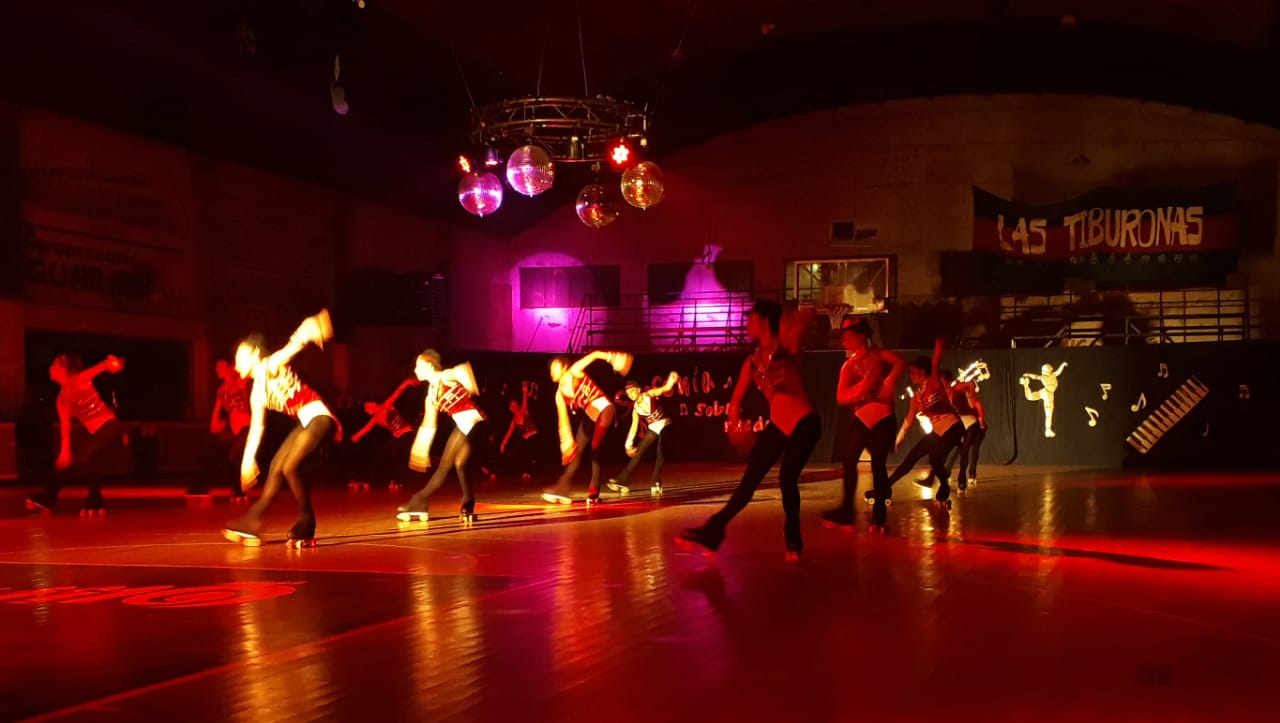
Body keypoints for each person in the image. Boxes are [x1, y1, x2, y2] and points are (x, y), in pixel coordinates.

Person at [678, 301, 822, 559]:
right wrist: (734, 424)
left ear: (764, 320)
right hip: (778, 424)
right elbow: (735, 400)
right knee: (748, 483)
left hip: (805, 422)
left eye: (751, 318)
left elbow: (801, 320)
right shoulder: (752, 362)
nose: (746, 324)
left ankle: (793, 541)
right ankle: (713, 533)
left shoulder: (786, 344)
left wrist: (806, 314)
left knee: (787, 479)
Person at [223, 310, 337, 547]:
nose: (237, 363)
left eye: (241, 356)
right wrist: (247, 462)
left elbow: (292, 348)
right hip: (305, 422)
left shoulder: (269, 365)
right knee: (277, 466)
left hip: (319, 417)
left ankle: (306, 520)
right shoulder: (256, 393)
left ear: (255, 354)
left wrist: (310, 328)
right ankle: (253, 521)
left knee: (290, 466)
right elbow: (257, 428)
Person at [821, 317, 906, 531]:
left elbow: (900, 363)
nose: (844, 341)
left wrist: (889, 380)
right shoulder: (848, 366)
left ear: (860, 336)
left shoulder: (878, 354)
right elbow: (841, 397)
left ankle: (879, 515)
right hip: (861, 417)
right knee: (849, 460)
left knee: (878, 464)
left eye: (848, 336)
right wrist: (861, 389)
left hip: (883, 416)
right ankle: (847, 510)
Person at [26, 354, 127, 516]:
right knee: (79, 461)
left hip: (109, 425)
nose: (50, 368)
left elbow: (97, 369)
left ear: (64, 366)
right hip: (94, 431)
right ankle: (52, 497)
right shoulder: (61, 400)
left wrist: (108, 364)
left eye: (54, 364)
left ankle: (81, 497)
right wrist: (64, 452)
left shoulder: (80, 380)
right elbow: (65, 428)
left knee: (85, 457)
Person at [396, 351, 487, 523]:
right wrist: (420, 451)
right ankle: (468, 501)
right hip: (464, 425)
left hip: (475, 420)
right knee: (460, 464)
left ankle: (419, 500)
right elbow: (428, 424)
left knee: (445, 465)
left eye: (419, 365)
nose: (415, 370)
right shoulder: (430, 396)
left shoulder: (444, 376)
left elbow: (463, 369)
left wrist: (471, 387)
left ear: (429, 364)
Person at [541, 350, 633, 505]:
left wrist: (615, 359)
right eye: (551, 370)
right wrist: (567, 443)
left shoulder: (574, 371)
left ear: (564, 367)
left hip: (605, 409)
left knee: (595, 446)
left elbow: (595, 355)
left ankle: (594, 489)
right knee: (576, 450)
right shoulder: (559, 394)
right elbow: (563, 421)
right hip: (590, 415)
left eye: (555, 368)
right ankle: (562, 487)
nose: (552, 372)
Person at [885, 338, 964, 509]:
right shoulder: (916, 397)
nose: (911, 375)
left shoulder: (934, 382)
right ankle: (884, 488)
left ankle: (944, 486)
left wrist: (939, 344)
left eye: (913, 372)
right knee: (912, 456)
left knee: (935, 457)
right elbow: (908, 421)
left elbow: (936, 360)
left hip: (953, 427)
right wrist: (897, 440)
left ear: (922, 371)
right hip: (938, 431)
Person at [609, 371, 680, 497]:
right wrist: (628, 445)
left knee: (660, 451)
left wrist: (671, 380)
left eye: (632, 391)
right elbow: (633, 427)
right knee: (638, 452)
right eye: (628, 393)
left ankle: (656, 481)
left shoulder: (649, 394)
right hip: (653, 428)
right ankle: (623, 480)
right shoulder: (635, 409)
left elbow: (665, 388)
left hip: (665, 424)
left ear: (638, 389)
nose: (630, 395)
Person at [190, 360, 252, 500]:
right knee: (214, 451)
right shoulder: (221, 390)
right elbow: (216, 410)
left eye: (221, 366)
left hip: (247, 427)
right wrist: (215, 424)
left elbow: (247, 375)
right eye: (216, 367)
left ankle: (240, 487)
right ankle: (202, 485)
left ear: (229, 367)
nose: (217, 369)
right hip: (234, 430)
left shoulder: (239, 382)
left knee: (234, 455)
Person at [350, 378, 418, 491]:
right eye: (365, 408)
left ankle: (396, 480)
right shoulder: (376, 418)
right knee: (385, 455)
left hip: (407, 433)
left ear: (374, 403)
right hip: (398, 436)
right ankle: (391, 480)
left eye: (367, 406)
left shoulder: (386, 406)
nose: (366, 410)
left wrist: (407, 382)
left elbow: (398, 392)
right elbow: (367, 428)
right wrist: (356, 436)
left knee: (390, 453)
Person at [943, 369, 986, 489]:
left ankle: (970, 474)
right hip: (964, 425)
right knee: (960, 449)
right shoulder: (952, 394)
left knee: (972, 449)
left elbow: (980, 415)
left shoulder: (971, 399)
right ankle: (949, 472)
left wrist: (982, 428)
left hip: (975, 427)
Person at [499, 381, 539, 482]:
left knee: (528, 450)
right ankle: (518, 470)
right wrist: (503, 444)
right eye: (512, 406)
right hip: (525, 439)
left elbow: (525, 400)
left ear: (518, 405)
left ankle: (528, 470)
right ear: (510, 408)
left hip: (534, 436)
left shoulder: (524, 411)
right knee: (517, 450)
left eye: (515, 405)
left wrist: (524, 390)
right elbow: (509, 432)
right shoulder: (513, 420)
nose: (514, 407)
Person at [1021, 362, 1067, 438]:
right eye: (1043, 370)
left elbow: (1059, 371)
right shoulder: (1045, 377)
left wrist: (1062, 365)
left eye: (1044, 370)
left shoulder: (1052, 375)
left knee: (1031, 397)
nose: (1043, 372)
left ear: (1049, 371)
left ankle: (1026, 385)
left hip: (1045, 392)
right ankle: (1048, 430)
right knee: (1048, 414)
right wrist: (1028, 374)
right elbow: (1036, 376)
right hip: (1048, 394)